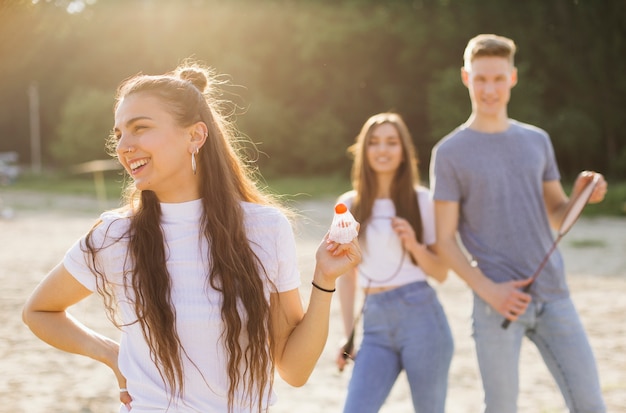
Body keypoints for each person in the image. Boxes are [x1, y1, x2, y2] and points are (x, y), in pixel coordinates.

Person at [22, 62, 361, 413]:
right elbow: (39, 311)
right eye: (119, 133)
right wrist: (112, 355)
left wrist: (324, 280)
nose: (125, 145)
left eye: (140, 128)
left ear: (195, 136)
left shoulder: (265, 228)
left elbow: (294, 370)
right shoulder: (115, 235)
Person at [430, 34, 609, 413]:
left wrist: (581, 195)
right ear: (466, 78)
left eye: (497, 79)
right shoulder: (448, 153)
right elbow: (444, 240)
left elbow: (557, 213)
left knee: (591, 404)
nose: (489, 89)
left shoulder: (537, 141)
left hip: (554, 295)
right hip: (496, 305)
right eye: (481, 79)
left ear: (512, 77)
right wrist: (490, 291)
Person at [335, 112, 453, 413]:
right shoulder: (349, 204)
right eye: (374, 143)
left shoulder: (422, 200)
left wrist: (414, 244)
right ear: (364, 150)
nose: (383, 150)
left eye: (391, 142)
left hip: (422, 319)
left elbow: (440, 273)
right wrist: (349, 337)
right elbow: (346, 277)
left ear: (403, 152)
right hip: (374, 322)